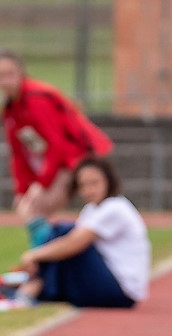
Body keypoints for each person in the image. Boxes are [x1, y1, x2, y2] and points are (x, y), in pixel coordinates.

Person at [0, 48, 113, 243]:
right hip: (55, 163)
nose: (6, 80)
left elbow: (56, 144)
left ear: (20, 73)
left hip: (76, 159)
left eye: (10, 74)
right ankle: (47, 254)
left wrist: (41, 183)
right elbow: (19, 154)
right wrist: (22, 188)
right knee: (26, 206)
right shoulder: (11, 109)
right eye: (1, 75)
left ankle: (46, 255)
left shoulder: (36, 98)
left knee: (34, 208)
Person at [12, 156, 150, 309]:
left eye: (94, 183)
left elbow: (75, 243)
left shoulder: (115, 207)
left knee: (64, 232)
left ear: (108, 181)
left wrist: (34, 255)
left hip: (120, 290)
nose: (89, 190)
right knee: (61, 237)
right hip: (106, 280)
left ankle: (34, 287)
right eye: (83, 185)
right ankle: (34, 286)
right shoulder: (91, 209)